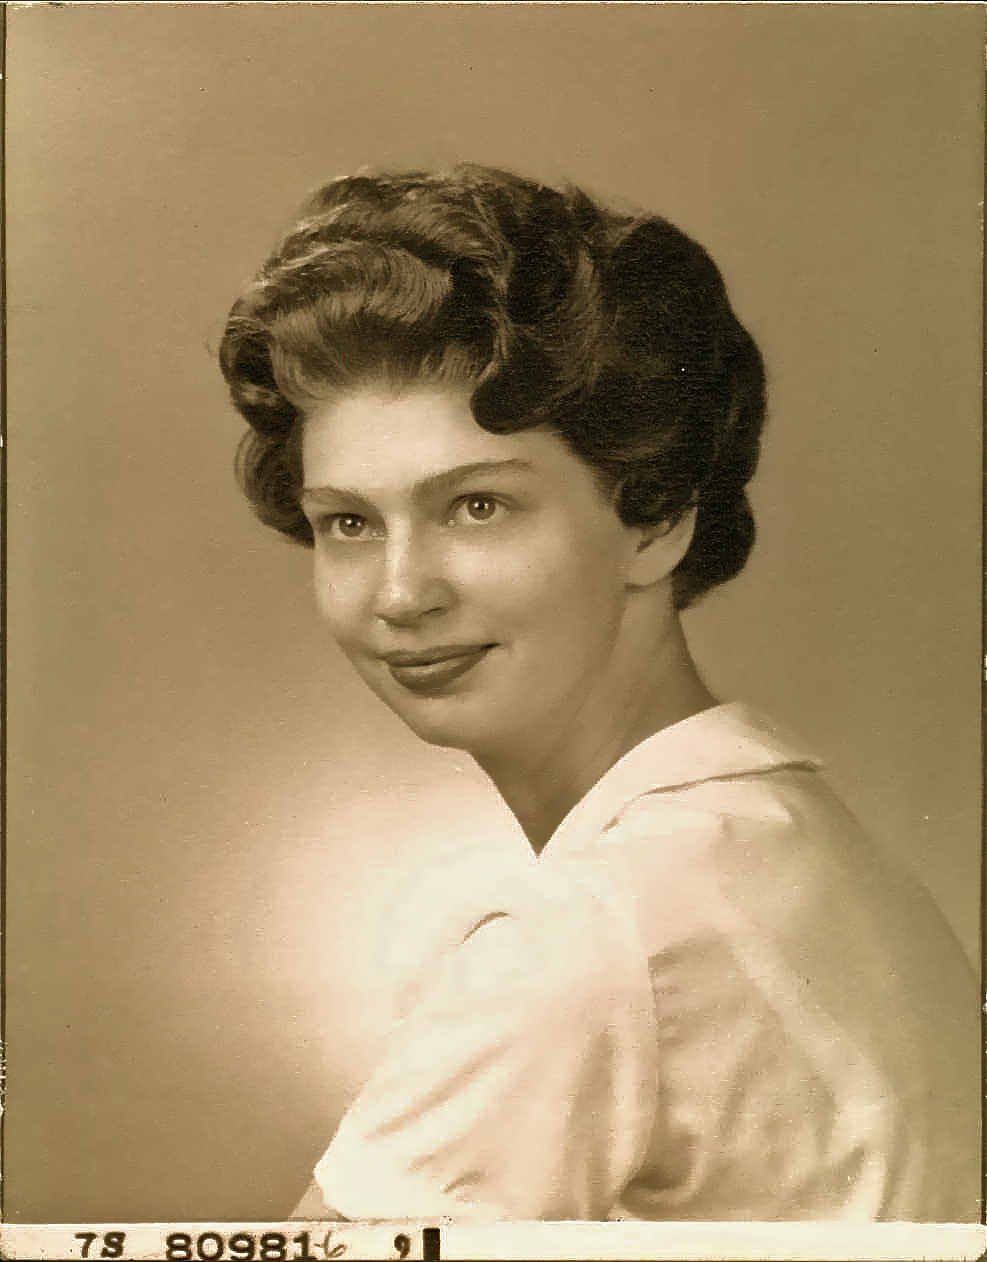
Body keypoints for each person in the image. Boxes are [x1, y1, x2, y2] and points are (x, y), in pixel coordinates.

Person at [218, 165, 980, 1222]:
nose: (399, 593)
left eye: (476, 506)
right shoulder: (802, 846)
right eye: (348, 523)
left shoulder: (592, 932)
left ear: (654, 518)